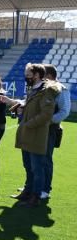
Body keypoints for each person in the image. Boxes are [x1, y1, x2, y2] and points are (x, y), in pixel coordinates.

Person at [10, 64, 59, 207]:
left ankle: (35, 196)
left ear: (36, 75)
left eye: (28, 74)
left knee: (37, 168)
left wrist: (28, 124)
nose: (26, 76)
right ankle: (28, 191)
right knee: (28, 166)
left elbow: (46, 114)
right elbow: (32, 109)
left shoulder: (47, 90)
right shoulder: (33, 89)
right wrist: (21, 111)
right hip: (27, 134)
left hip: (36, 135)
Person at [41, 64, 71, 199]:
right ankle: (33, 185)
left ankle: (45, 189)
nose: (40, 77)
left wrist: (48, 120)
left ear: (49, 76)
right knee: (34, 159)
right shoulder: (43, 88)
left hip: (50, 129)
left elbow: (64, 112)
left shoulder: (61, 90)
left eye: (42, 74)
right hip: (38, 128)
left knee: (46, 159)